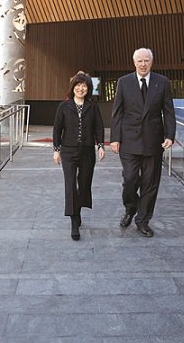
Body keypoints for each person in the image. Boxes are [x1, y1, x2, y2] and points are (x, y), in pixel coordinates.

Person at [110, 48, 176, 238]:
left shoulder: (162, 82)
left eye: (147, 60)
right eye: (140, 61)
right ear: (134, 62)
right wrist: (115, 138)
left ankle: (143, 220)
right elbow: (117, 113)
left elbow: (168, 111)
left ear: (152, 62)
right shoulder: (124, 82)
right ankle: (130, 208)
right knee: (130, 179)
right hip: (129, 140)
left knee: (150, 183)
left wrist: (169, 135)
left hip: (153, 141)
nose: (143, 64)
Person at [52, 72, 105, 241]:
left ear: (88, 88)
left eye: (84, 85)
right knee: (70, 185)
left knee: (83, 184)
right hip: (68, 151)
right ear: (73, 87)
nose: (80, 88)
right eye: (78, 85)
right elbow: (57, 128)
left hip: (87, 151)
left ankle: (78, 211)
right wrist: (56, 149)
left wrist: (101, 146)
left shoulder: (92, 106)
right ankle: (74, 221)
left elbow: (99, 127)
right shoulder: (64, 106)